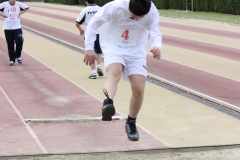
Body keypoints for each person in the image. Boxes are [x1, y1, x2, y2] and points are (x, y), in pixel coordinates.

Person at [84, 0, 162, 141]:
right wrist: (89, 47)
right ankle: (107, 103)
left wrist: (157, 46)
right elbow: (94, 22)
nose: (137, 19)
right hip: (114, 47)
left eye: (141, 17)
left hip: (136, 50)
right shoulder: (115, 6)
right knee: (114, 73)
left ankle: (131, 122)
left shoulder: (151, 10)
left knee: (138, 87)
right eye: (134, 16)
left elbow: (155, 31)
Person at [76, 0, 104, 79]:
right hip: (100, 33)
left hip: (89, 34)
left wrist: (81, 30)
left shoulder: (85, 10)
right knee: (99, 51)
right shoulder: (100, 9)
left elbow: (77, 23)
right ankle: (99, 66)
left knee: (91, 51)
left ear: (86, 2)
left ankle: (93, 73)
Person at [0, 0, 29, 66]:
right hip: (8, 27)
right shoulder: (4, 4)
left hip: (17, 27)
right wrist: (2, 14)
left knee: (20, 41)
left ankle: (18, 55)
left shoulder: (18, 4)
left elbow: (27, 8)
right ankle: (12, 59)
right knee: (10, 43)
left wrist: (20, 13)